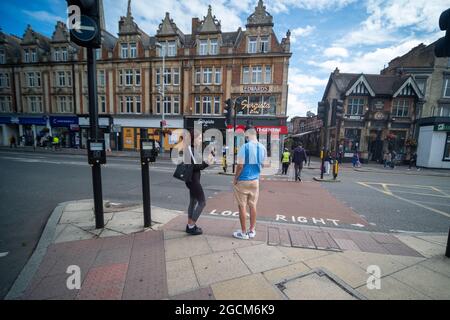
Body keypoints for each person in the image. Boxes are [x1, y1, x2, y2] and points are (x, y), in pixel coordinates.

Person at [233, 126, 267, 240]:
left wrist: (235, 178)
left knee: (242, 206)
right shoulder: (262, 147)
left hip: (243, 180)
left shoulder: (245, 147)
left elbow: (240, 165)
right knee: (253, 205)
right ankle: (252, 230)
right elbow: (263, 164)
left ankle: (243, 233)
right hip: (255, 181)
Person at [184, 133, 209, 236]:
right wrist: (207, 162)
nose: (200, 140)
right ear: (193, 139)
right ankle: (191, 226)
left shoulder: (190, 149)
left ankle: (189, 224)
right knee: (202, 202)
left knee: (193, 201)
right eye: (199, 138)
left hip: (190, 180)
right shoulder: (191, 150)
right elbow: (197, 166)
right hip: (193, 181)